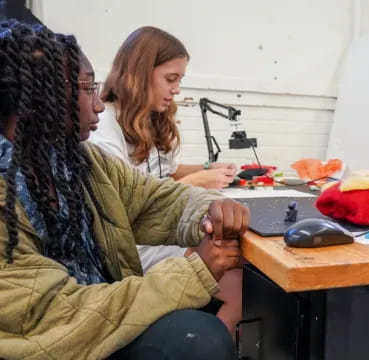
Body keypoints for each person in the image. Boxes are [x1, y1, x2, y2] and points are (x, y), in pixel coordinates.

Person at [0, 20, 249, 360]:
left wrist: (208, 210)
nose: (99, 105)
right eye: (88, 89)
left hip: (99, 318)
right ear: (41, 101)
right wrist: (193, 273)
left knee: (210, 312)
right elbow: (57, 315)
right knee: (200, 338)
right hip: (55, 340)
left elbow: (153, 199)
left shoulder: (80, 162)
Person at [89, 26, 242, 338]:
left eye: (179, 81)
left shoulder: (150, 120)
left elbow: (168, 172)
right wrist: (196, 182)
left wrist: (207, 168)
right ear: (140, 72)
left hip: (159, 232)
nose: (176, 90)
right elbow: (122, 204)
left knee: (236, 260)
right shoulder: (104, 127)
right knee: (238, 277)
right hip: (133, 244)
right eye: (170, 79)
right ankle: (212, 344)